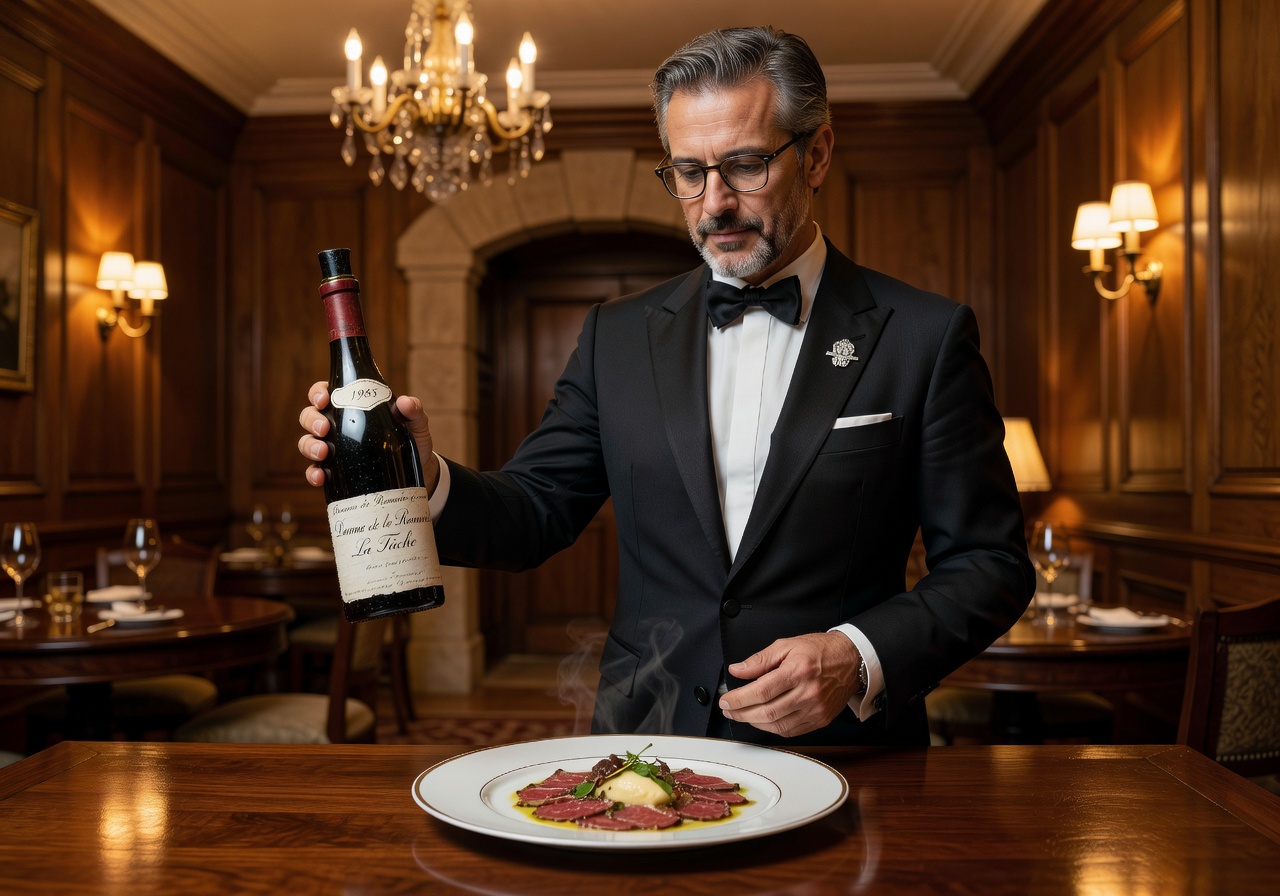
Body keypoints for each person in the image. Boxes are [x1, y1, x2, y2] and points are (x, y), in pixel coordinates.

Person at [298, 26, 1033, 747]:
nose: (713, 203)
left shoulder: (924, 337)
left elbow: (989, 564)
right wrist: (422, 476)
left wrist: (859, 653)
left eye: (746, 165)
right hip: (645, 744)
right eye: (688, 171)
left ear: (817, 155)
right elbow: (533, 513)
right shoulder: (615, 336)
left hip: (840, 750)